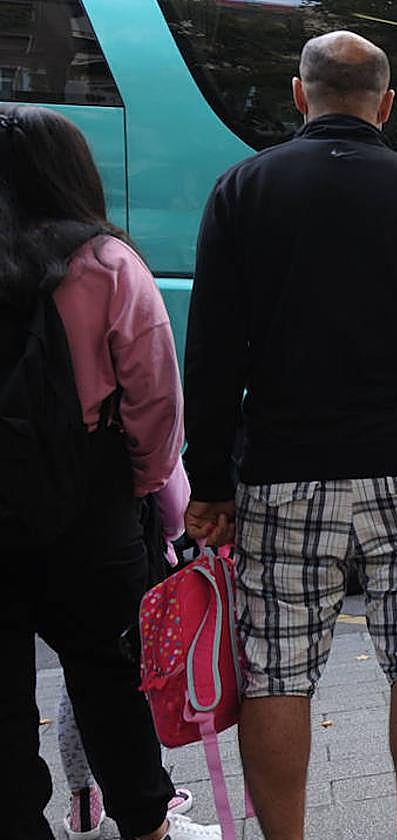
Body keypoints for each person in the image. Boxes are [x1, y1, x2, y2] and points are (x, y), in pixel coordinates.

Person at [182, 31, 397, 840]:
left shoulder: (242, 191)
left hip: (286, 469)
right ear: (386, 105)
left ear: (300, 95)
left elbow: (213, 350)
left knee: (277, 674)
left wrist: (209, 479)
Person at [0, 106, 218, 840]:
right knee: (108, 676)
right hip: (89, 502)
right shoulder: (106, 264)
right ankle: (144, 824)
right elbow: (156, 397)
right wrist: (144, 482)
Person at [59, 461, 196, 840]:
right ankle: (152, 810)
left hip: (32, 520)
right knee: (129, 678)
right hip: (113, 520)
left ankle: (83, 803)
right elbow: (164, 458)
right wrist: (173, 529)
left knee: (74, 686)